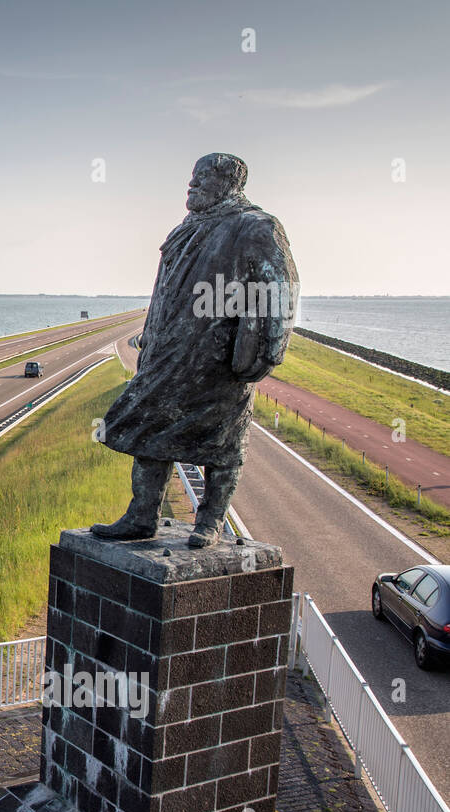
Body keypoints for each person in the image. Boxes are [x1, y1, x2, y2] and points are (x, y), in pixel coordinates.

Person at [90, 152, 298, 548]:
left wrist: (266, 352)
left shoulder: (255, 226)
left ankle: (211, 520)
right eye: (193, 177)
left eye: (202, 177)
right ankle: (141, 515)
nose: (192, 185)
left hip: (219, 362)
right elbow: (162, 291)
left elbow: (279, 293)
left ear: (228, 182)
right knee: (148, 430)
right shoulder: (186, 228)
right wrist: (149, 335)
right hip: (167, 356)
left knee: (221, 443)